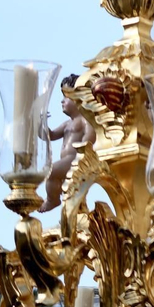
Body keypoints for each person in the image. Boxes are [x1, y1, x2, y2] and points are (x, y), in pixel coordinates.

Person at [41, 74, 94, 212]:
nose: (62, 101)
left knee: (50, 171)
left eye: (66, 97)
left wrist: (82, 155)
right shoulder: (67, 124)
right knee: (72, 196)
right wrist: (40, 124)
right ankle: (66, 205)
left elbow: (89, 137)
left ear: (78, 98)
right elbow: (49, 136)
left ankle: (52, 200)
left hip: (75, 160)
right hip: (65, 161)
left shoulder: (85, 120)